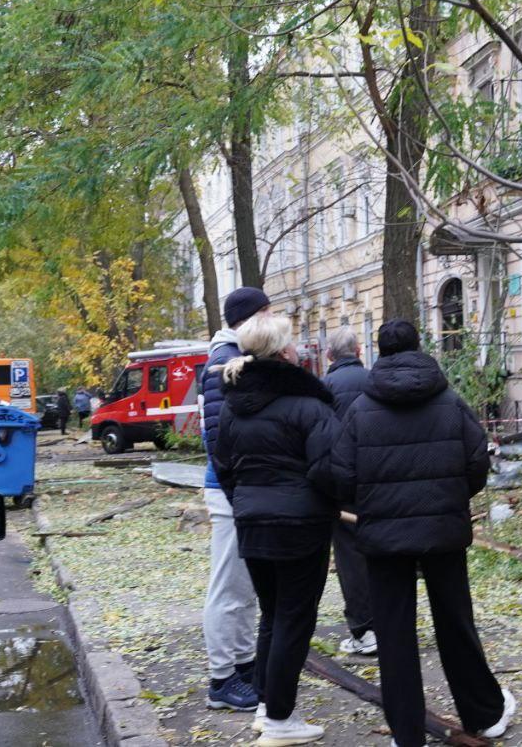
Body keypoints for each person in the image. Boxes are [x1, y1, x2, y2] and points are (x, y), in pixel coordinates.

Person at [316, 320, 514, 747]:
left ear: (379, 352)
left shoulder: (361, 410)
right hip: (443, 531)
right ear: (419, 347)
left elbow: (342, 475)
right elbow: (478, 461)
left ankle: (406, 734)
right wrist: (451, 496)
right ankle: (484, 714)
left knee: (394, 633)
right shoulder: (449, 401)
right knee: (456, 623)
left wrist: (371, 505)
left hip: (383, 538)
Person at [215, 314, 338, 747]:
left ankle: (267, 707)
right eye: (295, 343)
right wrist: (327, 504)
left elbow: (223, 467)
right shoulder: (310, 405)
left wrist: (247, 504)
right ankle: (281, 720)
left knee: (272, 615)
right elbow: (331, 469)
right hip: (300, 524)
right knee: (293, 620)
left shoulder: (233, 405)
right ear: (285, 351)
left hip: (251, 521)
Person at [199, 286, 271, 715]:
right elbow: (217, 439)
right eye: (266, 314)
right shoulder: (223, 363)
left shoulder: (237, 356)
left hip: (240, 490)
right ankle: (222, 678)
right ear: (248, 319)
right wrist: (236, 492)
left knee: (243, 587)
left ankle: (244, 667)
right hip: (230, 491)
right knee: (227, 586)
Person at [321, 326, 376, 656]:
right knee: (382, 550)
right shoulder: (375, 382)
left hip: (343, 487)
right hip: (380, 480)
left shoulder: (323, 389)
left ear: (329, 356)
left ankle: (363, 629)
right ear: (358, 352)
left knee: (350, 558)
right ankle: (390, 622)